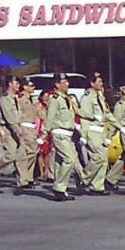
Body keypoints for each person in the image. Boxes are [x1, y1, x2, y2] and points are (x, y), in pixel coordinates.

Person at [42, 73, 79, 201]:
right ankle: (59, 187)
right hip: (59, 133)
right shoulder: (55, 99)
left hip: (67, 133)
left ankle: (60, 191)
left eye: (67, 82)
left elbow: (76, 113)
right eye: (63, 82)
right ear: (57, 85)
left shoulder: (67, 98)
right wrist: (44, 134)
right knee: (70, 159)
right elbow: (50, 117)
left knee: (59, 162)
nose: (67, 84)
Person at [79, 72, 116, 195]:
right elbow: (83, 117)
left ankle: (97, 186)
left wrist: (118, 125)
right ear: (92, 83)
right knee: (98, 156)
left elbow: (106, 113)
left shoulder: (99, 96)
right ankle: (84, 177)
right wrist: (83, 135)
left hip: (101, 131)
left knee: (104, 159)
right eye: (98, 81)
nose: (101, 83)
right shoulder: (87, 97)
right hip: (92, 130)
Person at [0, 76, 31, 188]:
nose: (18, 86)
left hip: (17, 129)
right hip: (8, 129)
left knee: (22, 155)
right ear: (10, 84)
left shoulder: (14, 98)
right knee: (10, 155)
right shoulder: (4, 99)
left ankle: (23, 181)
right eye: (16, 83)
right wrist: (18, 129)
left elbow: (18, 114)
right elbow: (9, 117)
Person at [17, 79, 41, 188]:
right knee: (29, 153)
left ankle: (29, 177)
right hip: (25, 126)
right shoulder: (21, 98)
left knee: (33, 153)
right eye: (31, 86)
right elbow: (18, 112)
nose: (33, 88)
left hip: (32, 127)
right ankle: (24, 178)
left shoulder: (32, 99)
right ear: (25, 87)